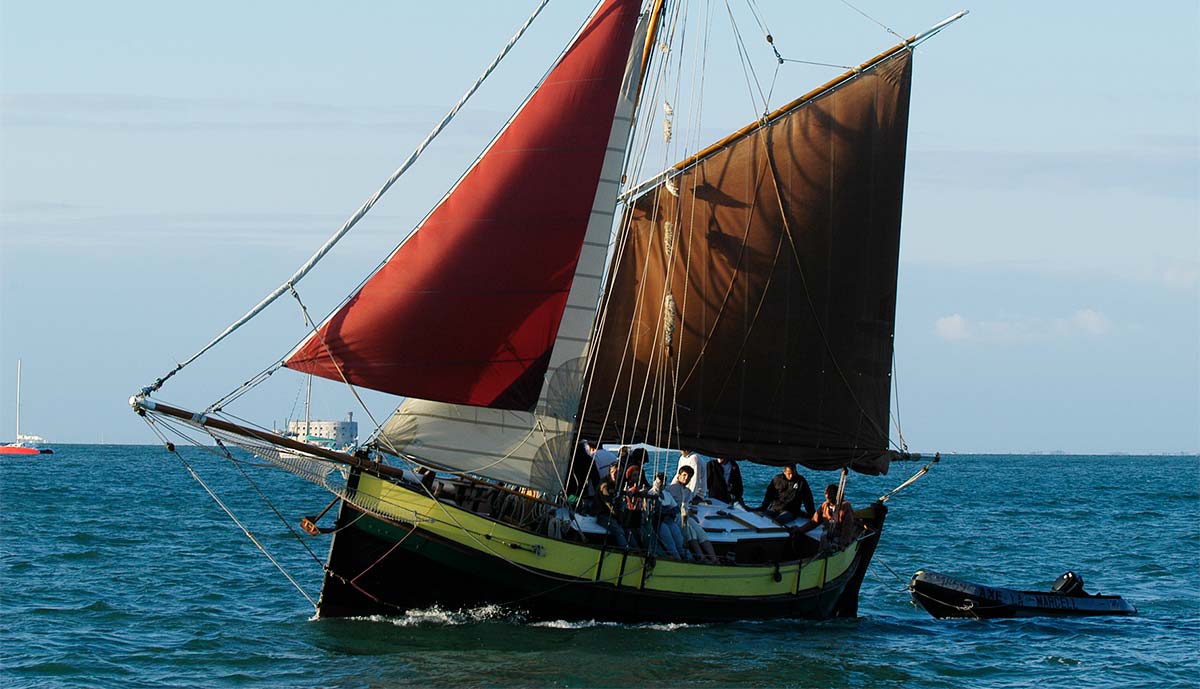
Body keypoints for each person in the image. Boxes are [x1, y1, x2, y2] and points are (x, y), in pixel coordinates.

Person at [664, 466, 718, 563]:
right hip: (676, 516)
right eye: (684, 475)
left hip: (686, 515)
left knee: (701, 532)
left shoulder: (688, 492)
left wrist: (691, 515)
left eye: (689, 476)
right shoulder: (671, 489)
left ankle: (714, 558)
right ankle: (701, 557)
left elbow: (687, 506)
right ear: (679, 476)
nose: (686, 478)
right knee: (691, 533)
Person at [648, 472, 687, 559]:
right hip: (659, 522)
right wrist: (668, 510)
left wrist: (666, 511)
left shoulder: (667, 494)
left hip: (669, 520)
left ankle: (686, 556)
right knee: (670, 541)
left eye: (664, 483)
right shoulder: (651, 494)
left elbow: (676, 509)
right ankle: (677, 558)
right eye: (660, 482)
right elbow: (657, 510)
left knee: (679, 539)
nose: (662, 485)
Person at [596, 462, 629, 548]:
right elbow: (609, 505)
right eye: (613, 472)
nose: (615, 475)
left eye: (618, 472)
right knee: (618, 531)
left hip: (615, 515)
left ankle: (637, 550)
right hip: (603, 514)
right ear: (609, 472)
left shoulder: (620, 484)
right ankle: (625, 550)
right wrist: (620, 517)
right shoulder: (605, 485)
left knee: (630, 529)